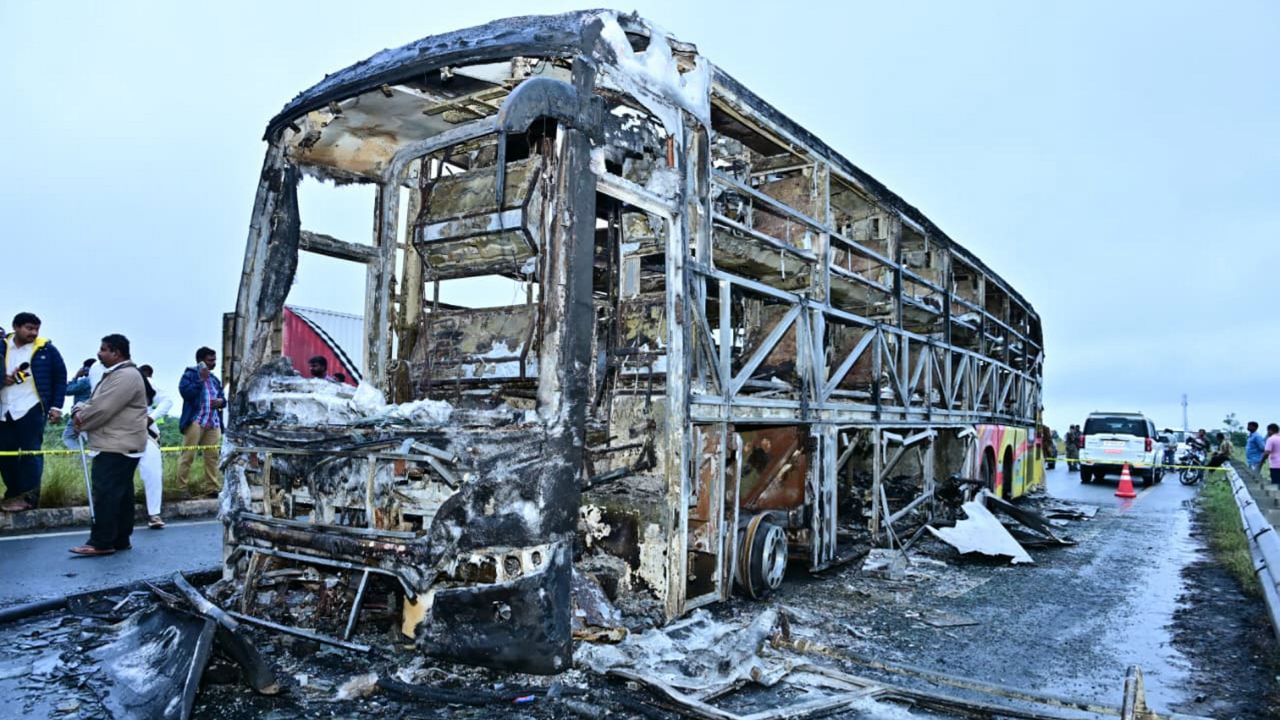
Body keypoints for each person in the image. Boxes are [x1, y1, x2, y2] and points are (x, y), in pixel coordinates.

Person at [68, 334, 148, 556]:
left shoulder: (125, 376)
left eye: (103, 349)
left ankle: (101, 541)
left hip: (116, 443)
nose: (99, 353)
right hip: (122, 442)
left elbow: (102, 409)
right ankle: (120, 539)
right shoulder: (121, 374)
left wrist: (79, 419)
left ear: (116, 352)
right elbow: (96, 403)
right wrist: (81, 408)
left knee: (106, 494)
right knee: (121, 494)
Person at [0, 312, 67, 512]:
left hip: (32, 407)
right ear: (16, 327)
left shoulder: (46, 349)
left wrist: (56, 406)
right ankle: (13, 495)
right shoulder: (2, 346)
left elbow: (60, 377)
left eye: (36, 329)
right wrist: (3, 380)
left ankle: (29, 498)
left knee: (31, 453)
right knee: (5, 456)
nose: (34, 333)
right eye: (29, 328)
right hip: (4, 408)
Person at [178, 347, 225, 492]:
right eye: (210, 360)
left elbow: (223, 399)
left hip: (213, 421)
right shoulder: (190, 375)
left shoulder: (214, 379)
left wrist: (221, 402)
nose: (213, 363)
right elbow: (186, 393)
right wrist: (201, 380)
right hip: (196, 420)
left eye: (214, 360)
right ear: (201, 361)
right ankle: (181, 488)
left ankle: (212, 488)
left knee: (212, 456)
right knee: (188, 455)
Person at [138, 365, 171, 528]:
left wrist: (151, 418)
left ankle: (154, 514)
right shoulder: (111, 380)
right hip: (120, 434)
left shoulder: (146, 382)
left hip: (146, 434)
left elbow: (167, 401)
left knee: (153, 474)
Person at [61, 358, 97, 450]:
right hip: (95, 411)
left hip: (80, 412)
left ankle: (82, 457)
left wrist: (76, 376)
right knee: (91, 438)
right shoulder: (99, 380)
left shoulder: (85, 381)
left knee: (68, 437)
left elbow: (67, 390)